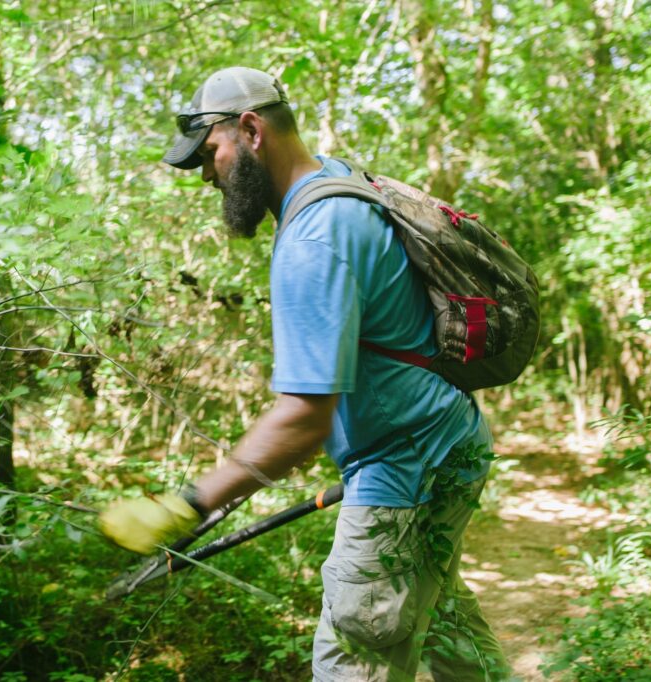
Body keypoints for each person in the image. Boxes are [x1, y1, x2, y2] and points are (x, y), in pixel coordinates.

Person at [100, 66, 509, 681]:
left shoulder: (315, 238)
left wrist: (186, 504)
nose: (207, 175)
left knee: (359, 645)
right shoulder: (338, 180)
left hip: (405, 463)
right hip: (449, 441)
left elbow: (303, 418)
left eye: (209, 154)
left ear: (249, 130)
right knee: (439, 613)